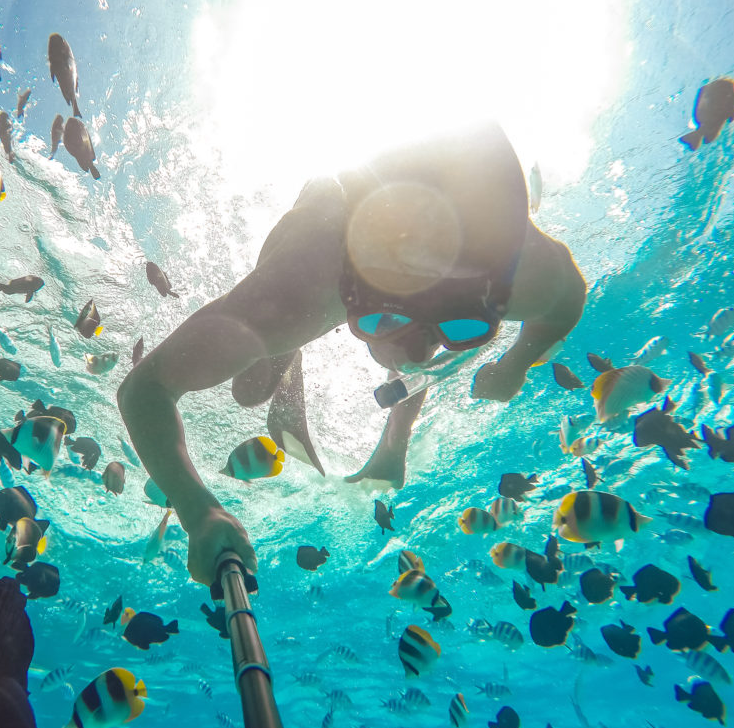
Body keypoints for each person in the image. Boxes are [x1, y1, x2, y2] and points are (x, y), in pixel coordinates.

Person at [118, 121, 586, 586]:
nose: (424, 350)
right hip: (324, 212)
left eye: (460, 327)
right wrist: (198, 510)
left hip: (381, 236)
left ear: (493, 295)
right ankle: (286, 353)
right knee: (251, 390)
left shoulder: (524, 272)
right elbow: (145, 388)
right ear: (353, 298)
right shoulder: (299, 287)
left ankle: (392, 437)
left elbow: (567, 300)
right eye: (387, 321)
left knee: (403, 347)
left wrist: (517, 363)